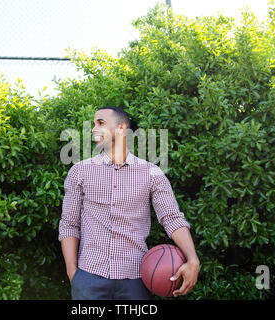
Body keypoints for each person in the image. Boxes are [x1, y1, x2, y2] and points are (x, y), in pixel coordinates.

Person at [59, 106, 200, 300]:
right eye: (93, 124)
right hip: (88, 278)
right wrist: (73, 274)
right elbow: (69, 224)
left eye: (100, 123)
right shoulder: (80, 172)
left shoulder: (152, 174)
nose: (93, 129)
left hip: (135, 281)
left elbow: (171, 218)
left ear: (121, 128)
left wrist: (192, 259)